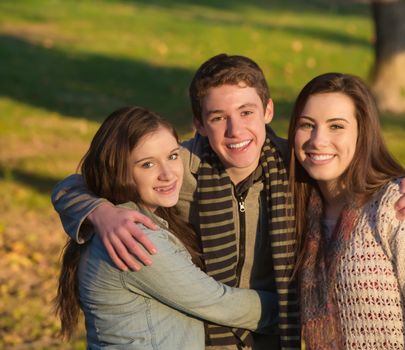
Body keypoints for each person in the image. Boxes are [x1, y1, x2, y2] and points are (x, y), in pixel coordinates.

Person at [51, 54, 405, 350]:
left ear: (268, 111)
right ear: (200, 124)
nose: (236, 130)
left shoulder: (298, 165)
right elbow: (78, 183)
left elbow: (360, 171)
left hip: (279, 339)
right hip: (210, 337)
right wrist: (99, 211)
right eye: (219, 117)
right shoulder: (181, 166)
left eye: (247, 112)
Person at [55, 106, 278, 349]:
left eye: (173, 156)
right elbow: (219, 303)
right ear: (118, 171)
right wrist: (299, 308)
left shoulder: (129, 216)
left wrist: (100, 211)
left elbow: (70, 186)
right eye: (147, 164)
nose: (168, 174)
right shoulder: (134, 237)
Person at [288, 73, 405, 349]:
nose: (318, 140)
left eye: (336, 126)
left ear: (362, 132)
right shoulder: (301, 213)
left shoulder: (402, 208)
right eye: (307, 125)